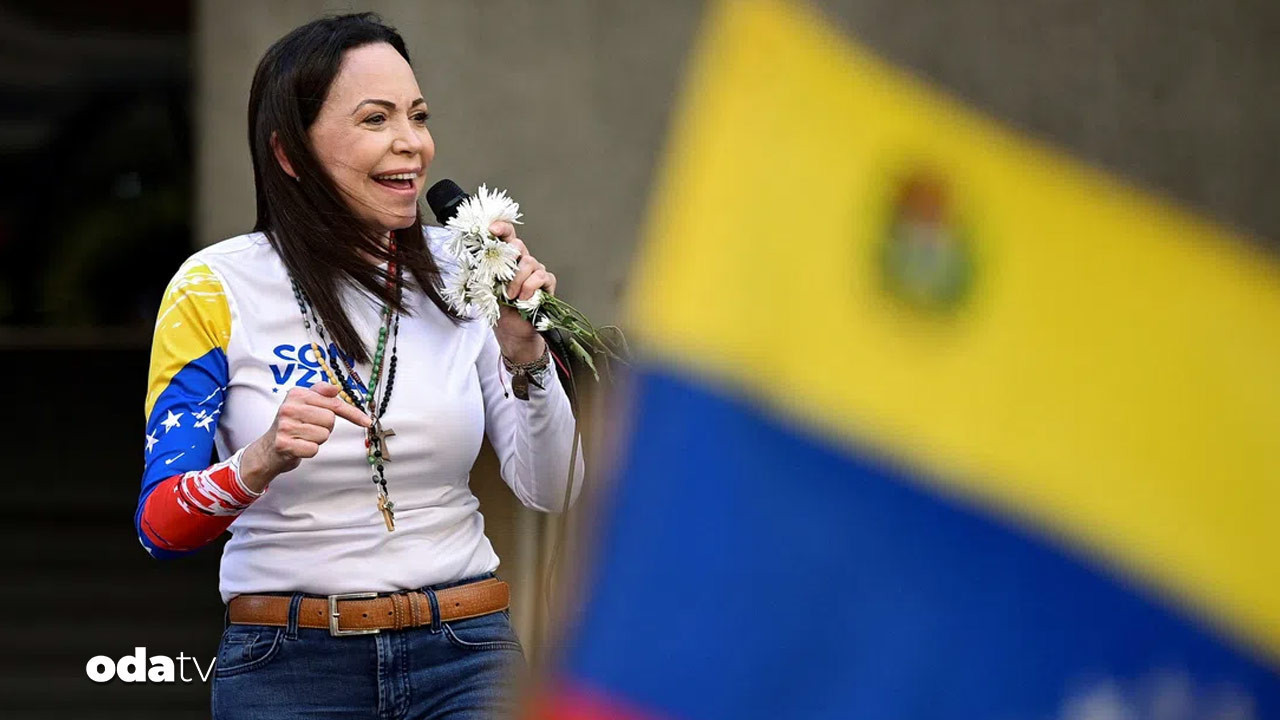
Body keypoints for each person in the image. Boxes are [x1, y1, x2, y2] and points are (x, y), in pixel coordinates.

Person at [133, 13, 582, 719]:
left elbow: (555, 488)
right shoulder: (213, 288)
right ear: (289, 153)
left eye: (418, 116)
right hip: (287, 664)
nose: (412, 143)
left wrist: (525, 354)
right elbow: (160, 525)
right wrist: (261, 458)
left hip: (467, 652)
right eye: (376, 119)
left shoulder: (467, 269)